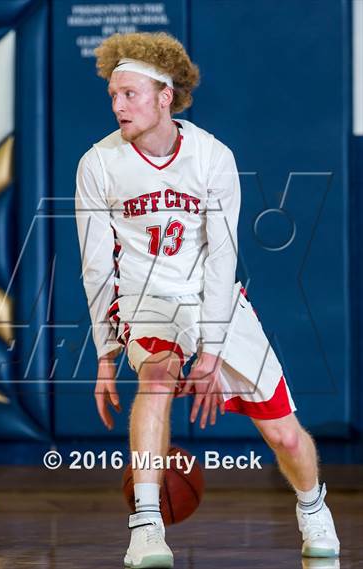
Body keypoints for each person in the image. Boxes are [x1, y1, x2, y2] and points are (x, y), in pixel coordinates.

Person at [75, 31, 340, 569]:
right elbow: (97, 268)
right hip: (147, 299)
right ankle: (146, 525)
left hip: (212, 298)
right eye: (112, 95)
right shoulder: (97, 164)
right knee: (155, 376)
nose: (117, 104)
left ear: (164, 96)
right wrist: (105, 354)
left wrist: (213, 352)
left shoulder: (213, 157)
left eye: (129, 93)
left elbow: (223, 259)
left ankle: (313, 506)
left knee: (286, 436)